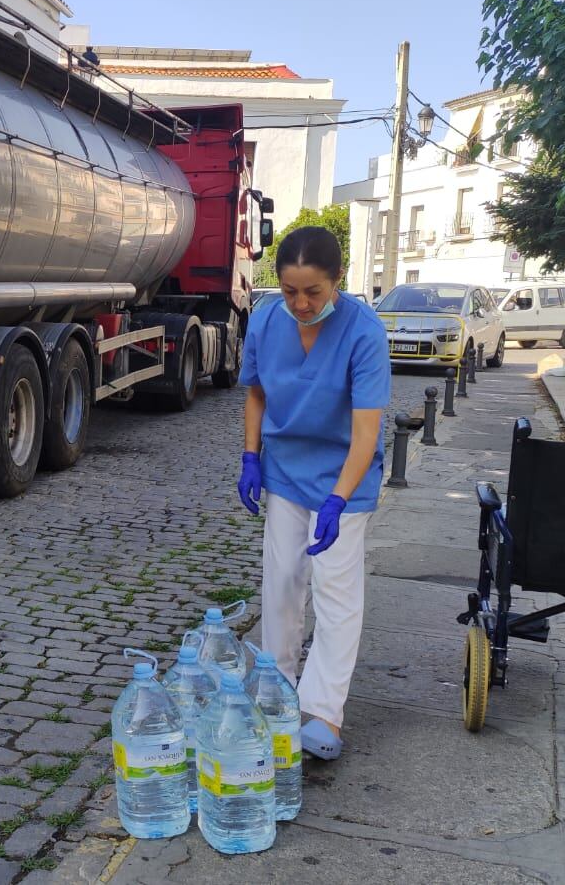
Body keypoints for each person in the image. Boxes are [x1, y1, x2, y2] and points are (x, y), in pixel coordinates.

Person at [237, 226, 389, 762]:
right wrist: (251, 455)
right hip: (285, 469)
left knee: (334, 590)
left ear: (337, 282)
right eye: (289, 291)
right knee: (281, 582)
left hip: (343, 475)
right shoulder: (266, 319)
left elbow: (366, 431)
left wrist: (338, 500)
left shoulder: (364, 332)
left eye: (313, 293)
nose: (300, 304)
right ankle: (276, 693)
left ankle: (324, 710)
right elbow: (256, 390)